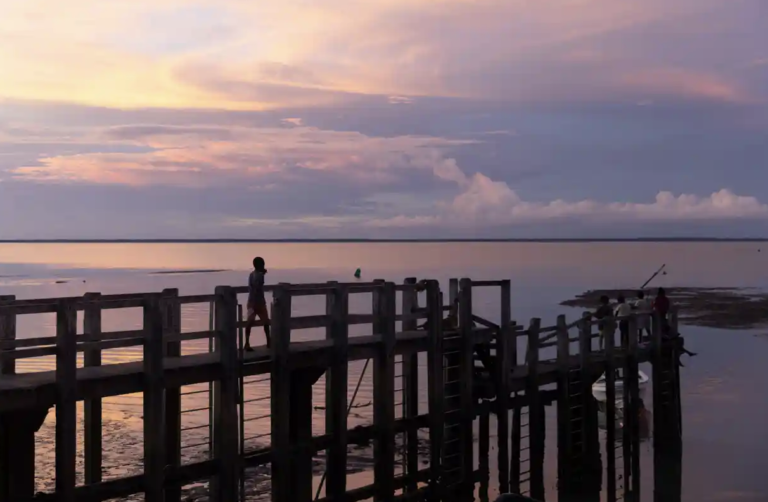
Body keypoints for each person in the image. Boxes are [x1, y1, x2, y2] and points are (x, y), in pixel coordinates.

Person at [244, 257, 270, 351]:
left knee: (251, 323)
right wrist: (262, 275)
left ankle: (247, 342)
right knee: (264, 322)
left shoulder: (252, 274)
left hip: (253, 302)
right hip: (256, 303)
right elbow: (258, 285)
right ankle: (268, 341)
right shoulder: (258, 275)